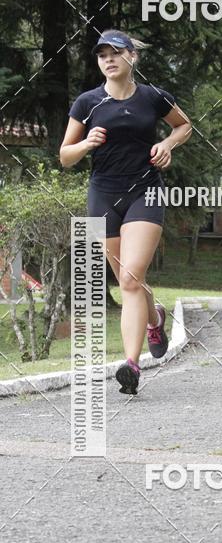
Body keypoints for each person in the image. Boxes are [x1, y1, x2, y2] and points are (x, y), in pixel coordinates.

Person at [60, 29, 191, 394]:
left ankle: (131, 366)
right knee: (128, 279)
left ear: (132, 57)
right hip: (103, 196)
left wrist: (166, 143)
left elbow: (183, 125)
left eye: (116, 52)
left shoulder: (153, 97)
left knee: (131, 278)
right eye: (102, 54)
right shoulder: (87, 103)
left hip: (144, 192)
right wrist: (86, 142)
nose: (108, 59)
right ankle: (155, 318)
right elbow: (65, 156)